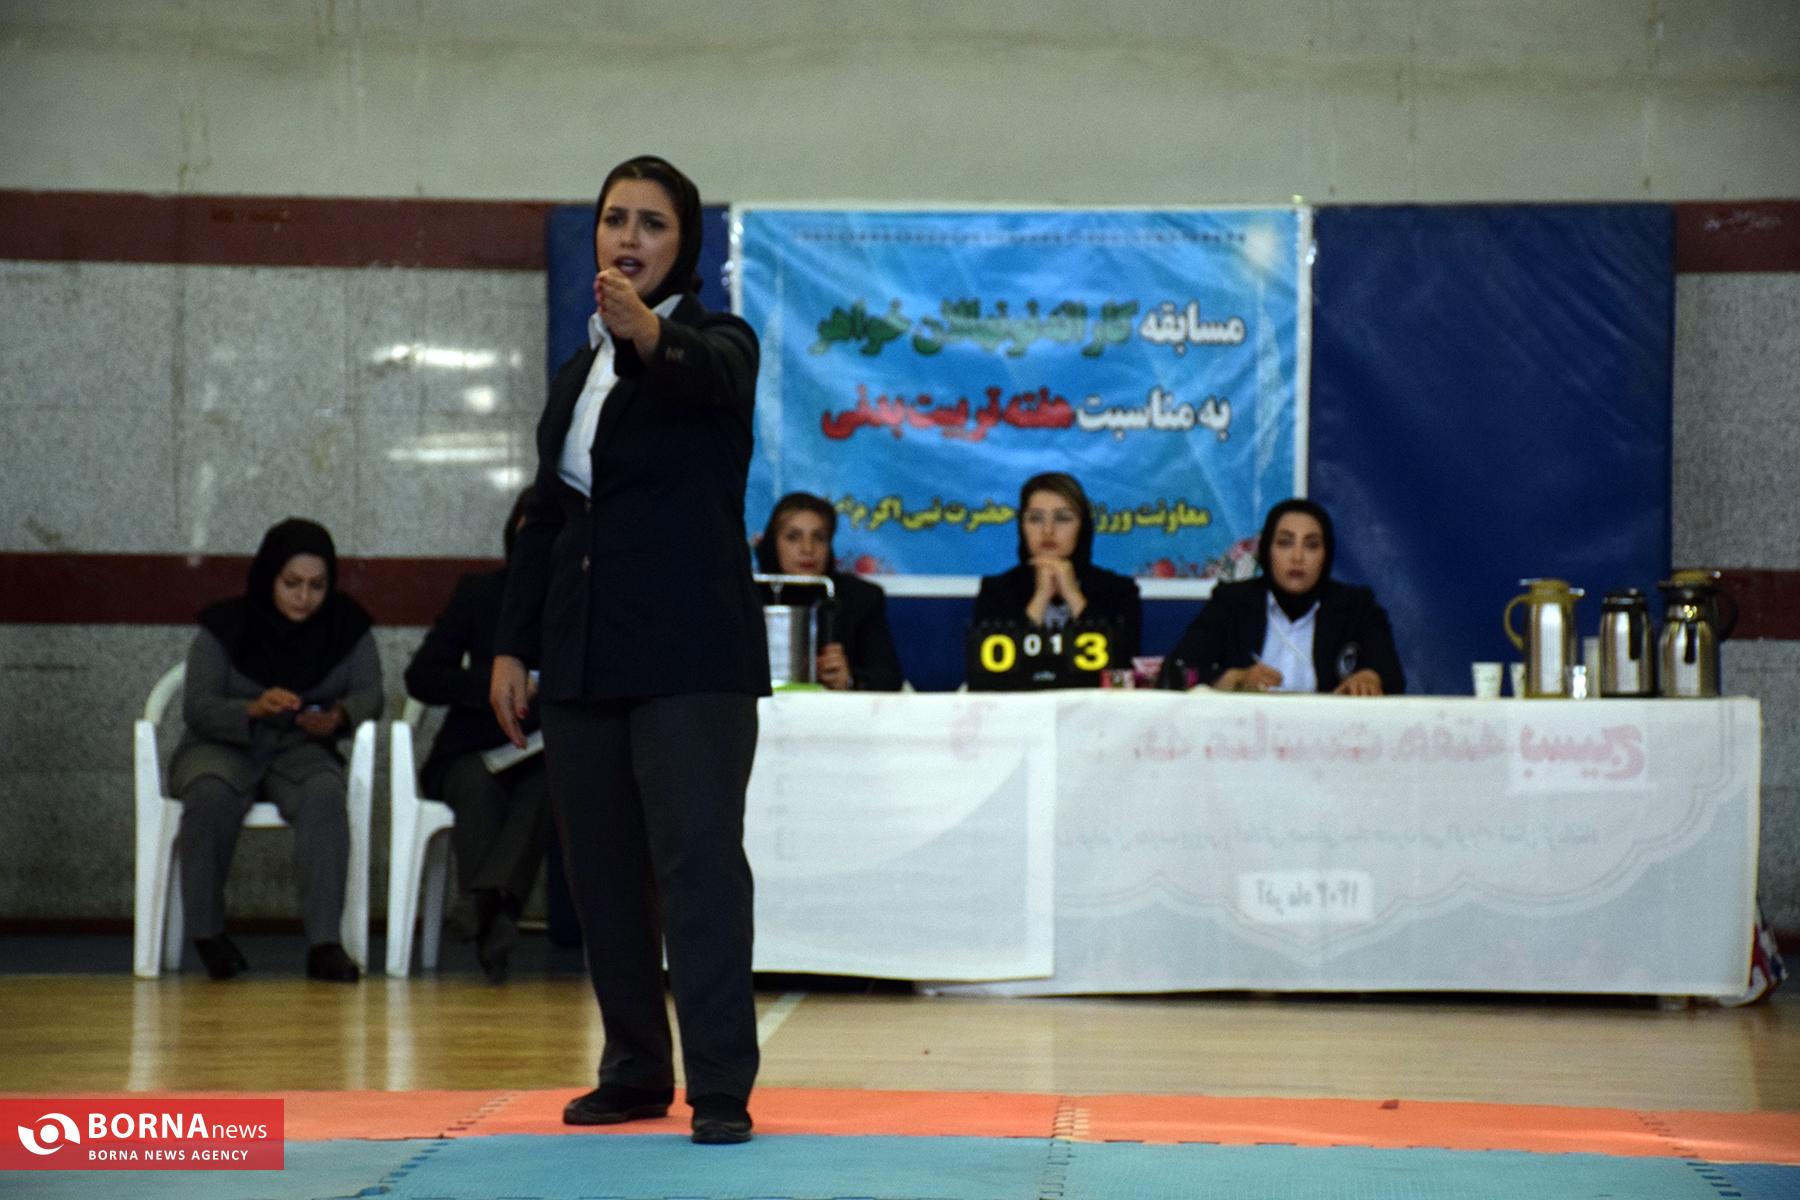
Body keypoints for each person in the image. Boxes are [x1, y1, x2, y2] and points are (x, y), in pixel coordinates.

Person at [490, 155, 767, 1146]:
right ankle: (636, 1069)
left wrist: (650, 332)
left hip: (691, 656)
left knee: (698, 869)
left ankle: (721, 1084)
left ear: (683, 244)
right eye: (616, 219)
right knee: (602, 875)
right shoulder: (580, 372)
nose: (630, 237)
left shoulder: (719, 341)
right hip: (583, 656)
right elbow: (549, 516)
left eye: (653, 223)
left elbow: (709, 375)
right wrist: (513, 646)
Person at [170, 518, 382, 983]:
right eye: (291, 584)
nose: (304, 597)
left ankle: (325, 944)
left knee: (325, 794)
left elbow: (371, 693)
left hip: (300, 747)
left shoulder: (347, 627)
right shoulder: (224, 626)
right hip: (224, 744)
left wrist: (338, 717)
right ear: (269, 577)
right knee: (208, 795)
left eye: (316, 586)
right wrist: (252, 707)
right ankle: (208, 934)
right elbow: (197, 706)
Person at [403, 489, 551, 984]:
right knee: (477, 787)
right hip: (471, 748)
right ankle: (498, 914)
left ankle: (483, 902)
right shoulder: (480, 593)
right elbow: (422, 677)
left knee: (549, 788)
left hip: (543, 753)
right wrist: (494, 683)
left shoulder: (580, 602)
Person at [1163, 498, 1404, 694]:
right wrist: (1234, 679)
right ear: (1267, 550)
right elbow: (1177, 671)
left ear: (1326, 554)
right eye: (1285, 543)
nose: (1297, 557)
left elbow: (1391, 675)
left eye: (1311, 545)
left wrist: (1371, 677)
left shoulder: (1355, 607)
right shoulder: (1232, 603)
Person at [973, 471, 1143, 659]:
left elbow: (1121, 663)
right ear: (1022, 526)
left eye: (1062, 518)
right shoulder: (996, 592)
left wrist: (1072, 595)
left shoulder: (1119, 592)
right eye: (1036, 518)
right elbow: (992, 665)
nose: (1048, 530)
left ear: (1082, 527)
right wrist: (1040, 597)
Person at [753, 492, 904, 691]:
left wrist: (850, 680)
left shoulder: (861, 598)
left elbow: (889, 677)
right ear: (772, 544)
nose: (807, 549)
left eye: (819, 537)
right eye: (793, 537)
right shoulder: (749, 596)